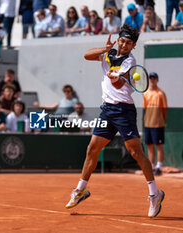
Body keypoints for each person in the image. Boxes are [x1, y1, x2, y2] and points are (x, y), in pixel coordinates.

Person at [65, 25, 165, 218]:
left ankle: (155, 194)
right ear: (118, 39)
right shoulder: (109, 52)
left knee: (136, 152)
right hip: (106, 110)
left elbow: (117, 83)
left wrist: (113, 75)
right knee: (92, 149)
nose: (124, 44)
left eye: (128, 43)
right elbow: (86, 55)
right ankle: (80, 190)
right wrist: (104, 50)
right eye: (122, 40)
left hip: (123, 112)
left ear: (133, 45)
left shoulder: (130, 61)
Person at [143, 72, 168, 176]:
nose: (152, 81)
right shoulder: (145, 93)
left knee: (158, 146)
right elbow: (145, 108)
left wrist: (163, 120)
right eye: (150, 79)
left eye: (154, 79)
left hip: (158, 124)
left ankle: (159, 167)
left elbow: (165, 109)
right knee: (149, 146)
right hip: (147, 123)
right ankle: (151, 166)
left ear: (157, 80)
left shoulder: (161, 94)